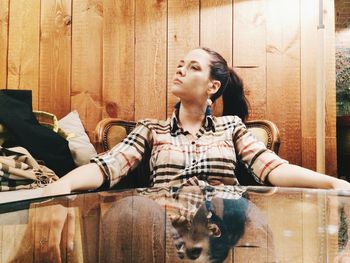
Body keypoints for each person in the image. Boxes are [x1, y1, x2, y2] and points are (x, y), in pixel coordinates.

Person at [13, 47, 350, 262]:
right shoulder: (151, 129)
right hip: (162, 228)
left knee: (241, 209)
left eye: (192, 67)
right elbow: (107, 167)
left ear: (212, 87)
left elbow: (271, 168)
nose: (180, 70)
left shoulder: (230, 127)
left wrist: (333, 182)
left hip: (227, 222)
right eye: (179, 65)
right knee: (131, 210)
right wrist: (55, 189)